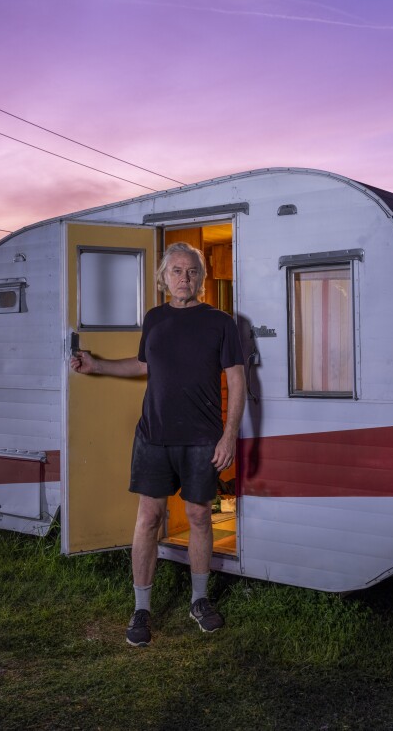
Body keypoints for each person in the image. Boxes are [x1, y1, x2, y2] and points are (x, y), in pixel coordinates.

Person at [70, 242, 246, 647]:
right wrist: (97, 366)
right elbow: (145, 365)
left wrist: (229, 434)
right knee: (149, 518)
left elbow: (236, 380)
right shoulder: (155, 318)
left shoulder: (220, 323)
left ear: (201, 279)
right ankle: (142, 608)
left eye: (191, 272)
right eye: (176, 271)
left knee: (200, 517)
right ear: (163, 278)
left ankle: (199, 601)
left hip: (202, 439)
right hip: (153, 435)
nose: (184, 278)